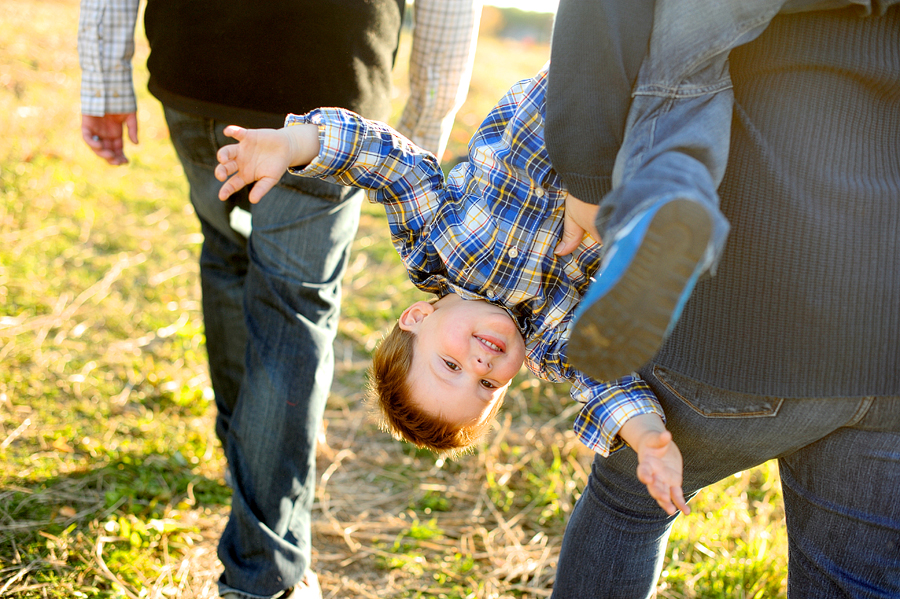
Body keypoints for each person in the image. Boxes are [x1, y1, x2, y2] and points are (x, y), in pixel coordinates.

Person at [77, 1, 482, 597]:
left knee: (227, 257)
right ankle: (263, 574)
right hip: (330, 75)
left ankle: (248, 464)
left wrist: (104, 76)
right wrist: (420, 130)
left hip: (197, 67)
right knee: (291, 306)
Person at [213, 65, 691, 517]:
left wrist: (295, 143)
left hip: (581, 94)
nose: (479, 366)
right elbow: (604, 380)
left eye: (450, 366)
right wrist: (648, 436)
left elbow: (387, 163)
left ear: (418, 317)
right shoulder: (551, 338)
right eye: (485, 385)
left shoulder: (435, 244)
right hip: (659, 140)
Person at [545, 0, 900, 596]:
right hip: (884, 324)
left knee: (629, 502)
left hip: (744, 307)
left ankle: (660, 215)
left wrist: (586, 173)